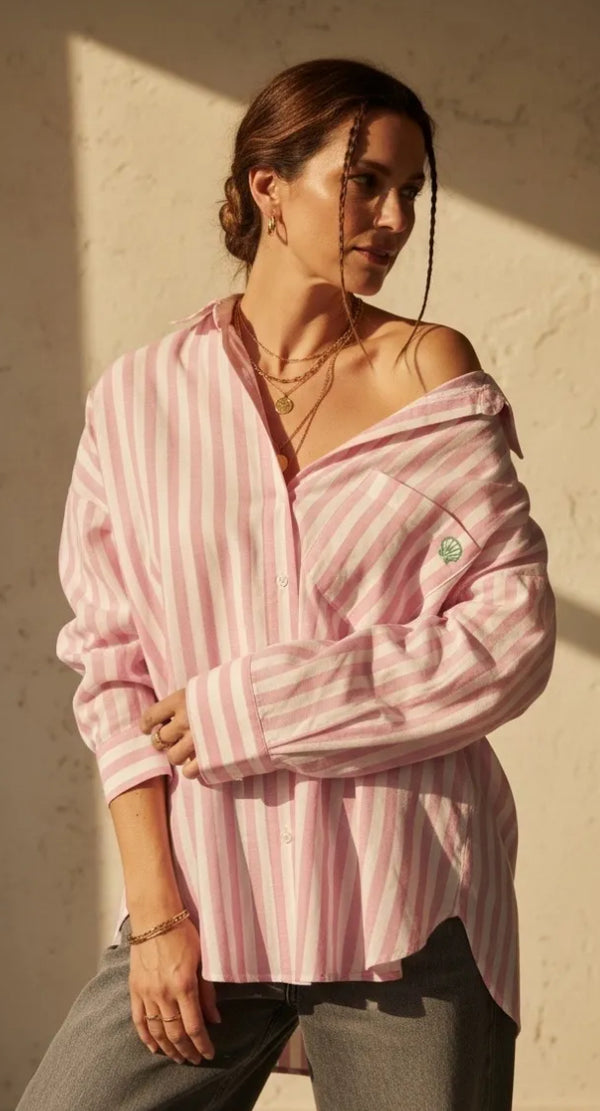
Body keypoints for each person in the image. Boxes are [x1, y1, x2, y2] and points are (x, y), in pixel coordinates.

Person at [17, 57, 556, 1111]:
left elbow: (512, 634)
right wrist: (156, 915)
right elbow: (114, 668)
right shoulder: (140, 399)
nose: (395, 217)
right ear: (270, 184)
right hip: (208, 902)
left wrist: (256, 708)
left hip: (405, 908)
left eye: (411, 191)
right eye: (367, 182)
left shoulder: (426, 374)